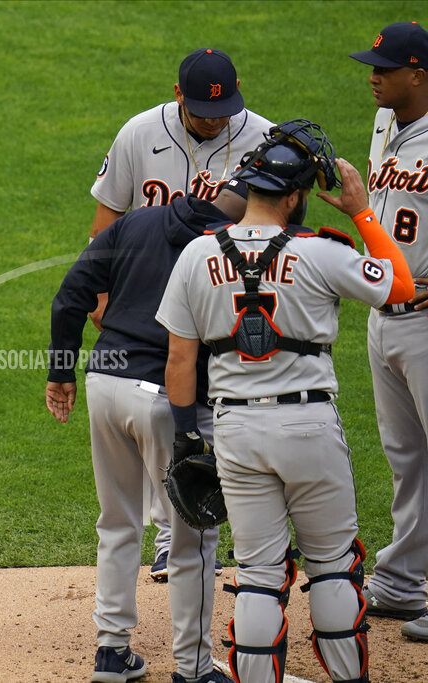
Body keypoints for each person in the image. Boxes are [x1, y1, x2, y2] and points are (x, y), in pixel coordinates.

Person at [157, 119, 414, 683]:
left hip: (236, 433)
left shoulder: (196, 257)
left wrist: (184, 437)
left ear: (249, 189)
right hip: (309, 426)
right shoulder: (321, 252)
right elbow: (398, 285)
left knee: (259, 573)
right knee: (331, 566)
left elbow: (179, 361)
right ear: (295, 197)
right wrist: (361, 212)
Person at [46, 178, 249, 682]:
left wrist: (60, 371)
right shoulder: (227, 247)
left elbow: (69, 296)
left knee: (117, 522)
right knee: (192, 539)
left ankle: (111, 653)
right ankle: (195, 668)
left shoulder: (135, 220)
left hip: (105, 384)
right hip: (167, 398)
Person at [89, 46, 273, 578]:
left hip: (228, 297)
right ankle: (176, 533)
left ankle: (243, 531)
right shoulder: (138, 133)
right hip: (151, 300)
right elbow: (107, 220)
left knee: (234, 412)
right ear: (177, 96)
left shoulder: (261, 137)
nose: (216, 121)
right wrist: (103, 292)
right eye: (202, 111)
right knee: (168, 413)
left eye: (224, 111)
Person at [349, 20, 428, 643]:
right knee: (406, 457)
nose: (372, 76)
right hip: (385, 316)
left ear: (418, 75)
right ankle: (402, 581)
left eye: (384, 68)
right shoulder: (384, 125)